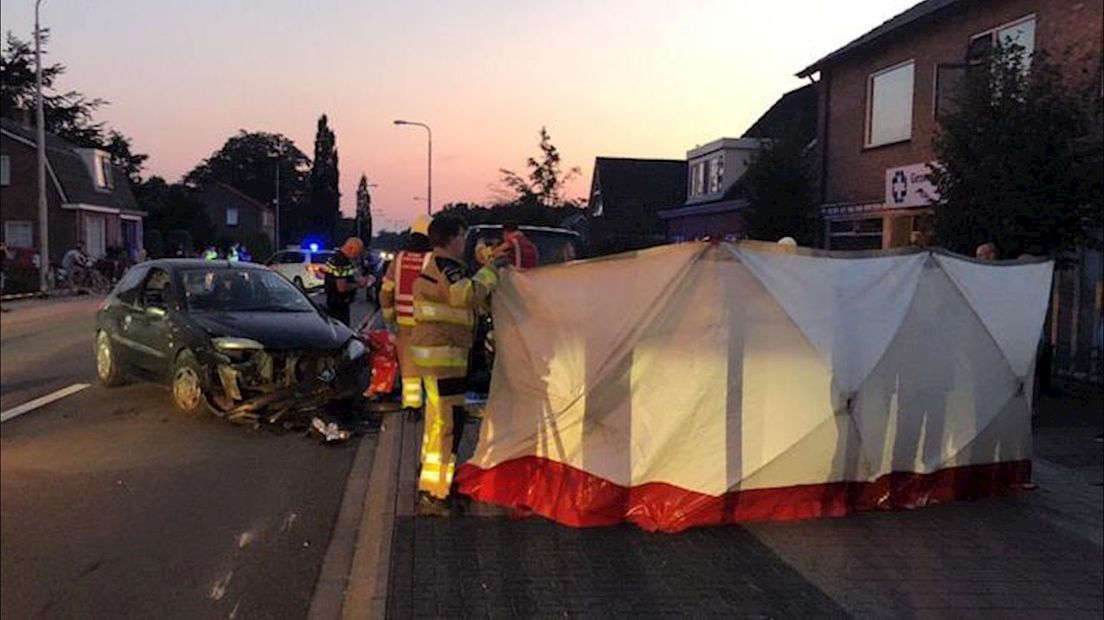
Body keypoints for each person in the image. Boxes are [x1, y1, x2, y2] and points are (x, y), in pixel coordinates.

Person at [411, 215, 501, 516]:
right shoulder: (446, 267)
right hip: (443, 357)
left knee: (438, 423)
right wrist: (490, 271)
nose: (466, 242)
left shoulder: (442, 267)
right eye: (463, 236)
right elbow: (465, 295)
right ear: (451, 239)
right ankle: (435, 495)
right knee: (448, 425)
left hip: (438, 357)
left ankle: (430, 480)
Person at [379, 216, 433, 412]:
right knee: (430, 367)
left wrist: (389, 321)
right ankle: (432, 406)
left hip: (404, 325)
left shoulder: (399, 259)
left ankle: (411, 406)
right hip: (429, 324)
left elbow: (386, 292)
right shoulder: (433, 260)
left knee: (409, 370)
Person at [324, 237, 371, 325]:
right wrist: (360, 284)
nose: (357, 256)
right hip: (339, 305)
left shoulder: (335, 257)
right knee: (342, 330)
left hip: (333, 301)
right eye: (357, 253)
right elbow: (342, 287)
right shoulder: (342, 261)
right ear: (351, 248)